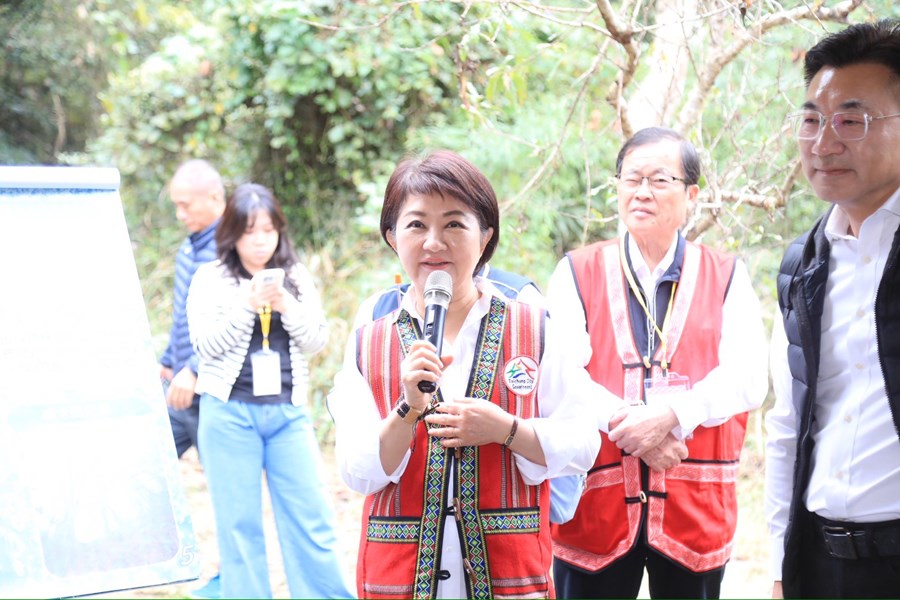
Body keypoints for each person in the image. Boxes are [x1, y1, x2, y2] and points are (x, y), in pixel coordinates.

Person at [327, 149, 600, 598]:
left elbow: (583, 444)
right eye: (417, 224)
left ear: (485, 235)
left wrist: (506, 429)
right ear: (393, 237)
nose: (435, 242)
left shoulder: (534, 327)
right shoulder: (367, 341)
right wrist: (406, 410)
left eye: (454, 224)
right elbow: (358, 471)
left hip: (510, 577)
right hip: (399, 577)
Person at [547, 127, 768, 599]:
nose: (642, 191)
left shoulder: (727, 275)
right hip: (597, 509)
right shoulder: (576, 272)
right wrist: (632, 429)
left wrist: (672, 416)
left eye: (660, 180)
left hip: (694, 511)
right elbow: (560, 375)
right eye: (631, 179)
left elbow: (749, 377)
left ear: (691, 195)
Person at [766, 19, 900, 599]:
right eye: (812, 120)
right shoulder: (804, 264)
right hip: (822, 565)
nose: (823, 143)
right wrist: (778, 568)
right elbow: (788, 425)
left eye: (851, 120)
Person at [186, 183, 352, 599]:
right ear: (232, 234)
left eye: (268, 230)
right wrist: (247, 304)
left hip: (288, 415)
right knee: (238, 525)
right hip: (228, 415)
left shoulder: (294, 276)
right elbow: (205, 347)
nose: (260, 240)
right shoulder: (211, 278)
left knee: (310, 518)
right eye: (249, 231)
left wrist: (285, 305)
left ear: (279, 230)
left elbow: (317, 340)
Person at [157, 159, 225, 600]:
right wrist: (168, 359)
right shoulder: (191, 245)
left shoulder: (226, 251)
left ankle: (225, 576)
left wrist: (195, 368)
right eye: (176, 205)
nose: (180, 213)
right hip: (175, 387)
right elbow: (183, 314)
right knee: (152, 469)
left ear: (215, 200)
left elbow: (235, 321)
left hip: (208, 392)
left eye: (187, 205)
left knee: (222, 488)